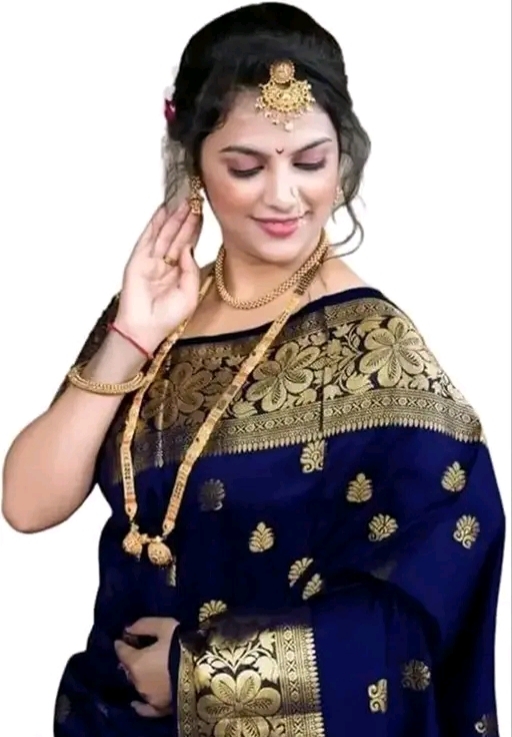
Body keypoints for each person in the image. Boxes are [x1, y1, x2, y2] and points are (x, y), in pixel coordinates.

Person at [1, 3, 505, 736]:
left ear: (343, 161)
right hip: (108, 715)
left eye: (310, 162)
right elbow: (26, 505)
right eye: (246, 166)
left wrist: (203, 672)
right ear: (194, 164)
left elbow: (425, 598)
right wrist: (131, 336)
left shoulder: (374, 346)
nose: (283, 195)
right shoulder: (158, 314)